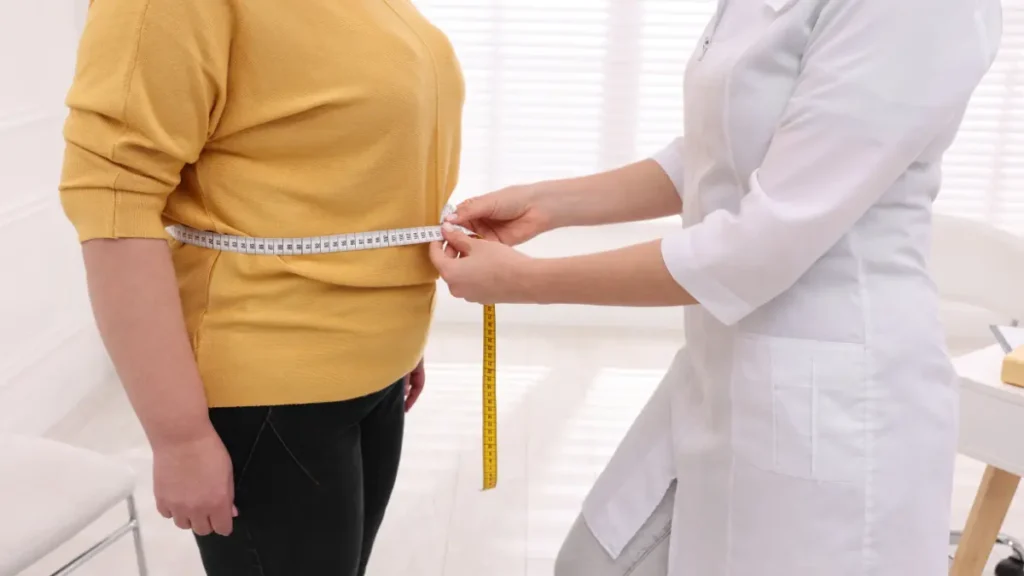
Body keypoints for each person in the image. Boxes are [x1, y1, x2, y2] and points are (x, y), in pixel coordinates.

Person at [430, 0, 1002, 574]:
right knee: (588, 563)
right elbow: (719, 150)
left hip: (834, 404)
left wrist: (527, 281)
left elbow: (760, 245)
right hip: (723, 368)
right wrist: (549, 204)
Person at [58, 0, 463, 574]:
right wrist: (180, 437)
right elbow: (113, 199)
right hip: (270, 378)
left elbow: (351, 171)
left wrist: (396, 323)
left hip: (377, 369)